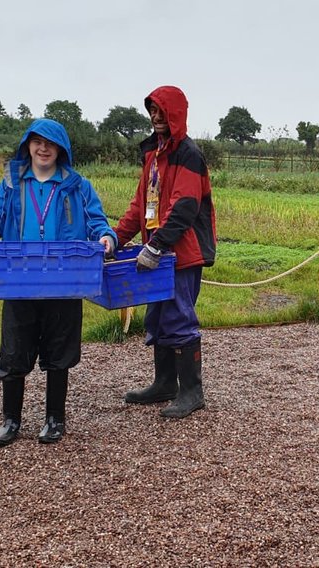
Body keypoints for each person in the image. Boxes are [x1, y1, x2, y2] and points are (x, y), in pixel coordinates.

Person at [0, 118, 117, 447]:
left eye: (50, 143)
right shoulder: (11, 182)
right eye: (37, 142)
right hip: (19, 279)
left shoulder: (78, 185)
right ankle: (11, 420)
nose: (43, 148)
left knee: (60, 349)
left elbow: (97, 222)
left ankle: (55, 419)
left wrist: (107, 237)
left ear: (60, 148)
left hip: (65, 279)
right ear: (27, 146)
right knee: (15, 347)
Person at [114, 85, 216, 419]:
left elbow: (184, 207)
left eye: (161, 111)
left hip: (181, 253)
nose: (156, 117)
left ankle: (192, 391)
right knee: (157, 317)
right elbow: (140, 205)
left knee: (179, 317)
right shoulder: (154, 155)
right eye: (152, 111)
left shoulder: (188, 154)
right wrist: (114, 238)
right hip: (157, 252)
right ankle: (164, 383)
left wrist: (157, 244)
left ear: (175, 113)